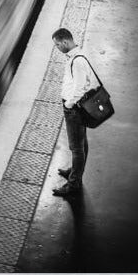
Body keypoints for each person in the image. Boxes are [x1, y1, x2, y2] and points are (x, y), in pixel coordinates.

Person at [52, 27, 100, 197]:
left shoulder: (77, 61)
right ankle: (75, 171)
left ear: (65, 42)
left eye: (58, 44)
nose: (57, 47)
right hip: (76, 108)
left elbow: (80, 88)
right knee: (81, 143)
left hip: (74, 109)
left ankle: (74, 184)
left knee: (76, 148)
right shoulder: (76, 56)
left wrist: (70, 104)